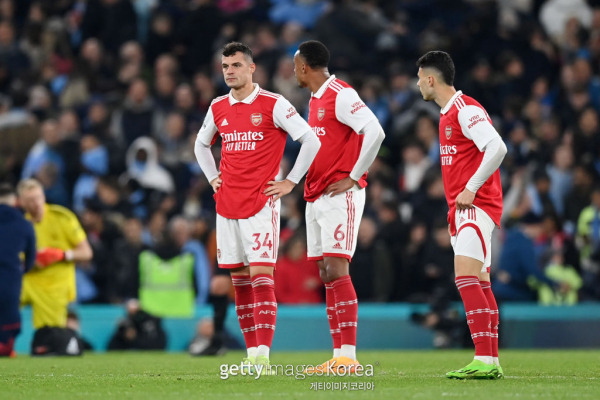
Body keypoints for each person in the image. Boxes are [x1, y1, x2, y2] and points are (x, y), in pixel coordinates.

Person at [194, 42, 321, 370]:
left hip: (262, 204)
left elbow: (310, 140)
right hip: (226, 205)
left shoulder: (273, 104)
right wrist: (212, 178)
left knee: (262, 278)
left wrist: (291, 181)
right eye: (225, 67)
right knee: (239, 283)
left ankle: (262, 355)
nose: (229, 72)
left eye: (236, 65)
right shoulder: (218, 107)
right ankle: (252, 356)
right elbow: (200, 143)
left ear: (252, 68)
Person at [293, 40, 385, 372]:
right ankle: (338, 357)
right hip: (316, 194)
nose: (293, 72)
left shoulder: (341, 93)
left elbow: (375, 131)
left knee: (337, 269)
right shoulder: (315, 99)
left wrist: (355, 175)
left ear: (304, 66)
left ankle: (348, 357)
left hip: (339, 194)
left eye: (295, 65)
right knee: (325, 272)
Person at [416, 51, 507, 379]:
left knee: (466, 279)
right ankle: (491, 360)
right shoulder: (447, 114)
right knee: (481, 283)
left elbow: (497, 147)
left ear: (430, 78)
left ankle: (482, 358)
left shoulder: (464, 109)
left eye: (419, 78)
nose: (417, 84)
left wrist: (469, 188)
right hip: (465, 208)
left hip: (475, 205)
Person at [17, 178, 93, 353]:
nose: (36, 203)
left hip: (54, 285)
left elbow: (87, 253)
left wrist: (61, 254)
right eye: (30, 200)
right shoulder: (22, 225)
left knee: (50, 336)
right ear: (21, 202)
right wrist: (31, 260)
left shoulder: (62, 218)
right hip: (28, 279)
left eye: (38, 197)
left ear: (43, 196)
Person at [0, 183, 36, 357]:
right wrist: (24, 270)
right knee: (9, 315)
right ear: (15, 201)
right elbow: (31, 257)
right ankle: (6, 347)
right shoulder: (24, 224)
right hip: (10, 277)